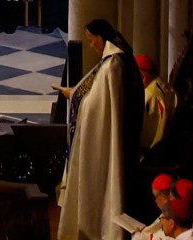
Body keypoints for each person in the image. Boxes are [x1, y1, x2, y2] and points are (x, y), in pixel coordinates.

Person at [56, 20, 146, 240]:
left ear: (100, 37)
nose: (90, 45)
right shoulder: (115, 60)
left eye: (90, 39)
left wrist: (77, 97)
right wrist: (77, 93)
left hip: (105, 140)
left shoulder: (113, 65)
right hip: (107, 134)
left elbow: (97, 107)